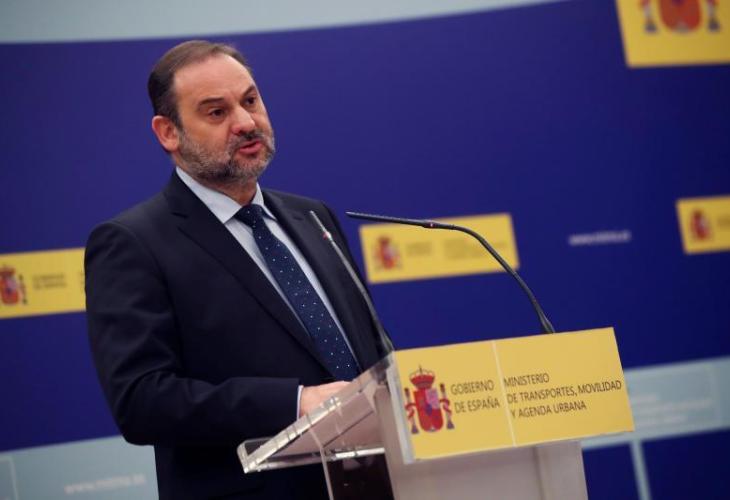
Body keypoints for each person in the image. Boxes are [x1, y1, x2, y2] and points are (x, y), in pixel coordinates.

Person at [85, 40, 386, 500]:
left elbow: (367, 351)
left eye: (250, 101)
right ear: (168, 133)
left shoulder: (313, 217)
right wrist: (295, 402)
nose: (246, 123)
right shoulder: (133, 243)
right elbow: (142, 401)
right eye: (216, 112)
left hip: (378, 482)